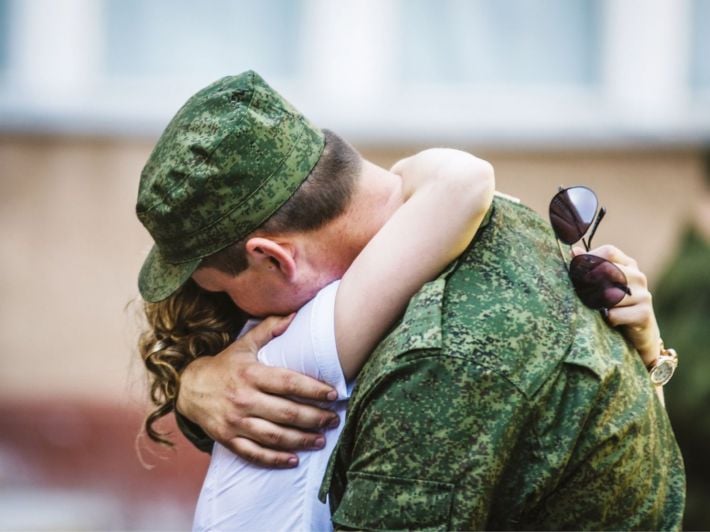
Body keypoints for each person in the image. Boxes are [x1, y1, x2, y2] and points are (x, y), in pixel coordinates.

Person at [135, 71, 685, 530]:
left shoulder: (434, 364)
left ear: (274, 258)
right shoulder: (504, 220)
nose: (247, 322)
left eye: (225, 292)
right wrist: (195, 389)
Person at [142, 141, 497, 529]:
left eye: (222, 291)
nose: (241, 312)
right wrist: (399, 179)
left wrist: (192, 381)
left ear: (274, 257)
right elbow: (463, 180)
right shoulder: (294, 342)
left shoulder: (288, 338)